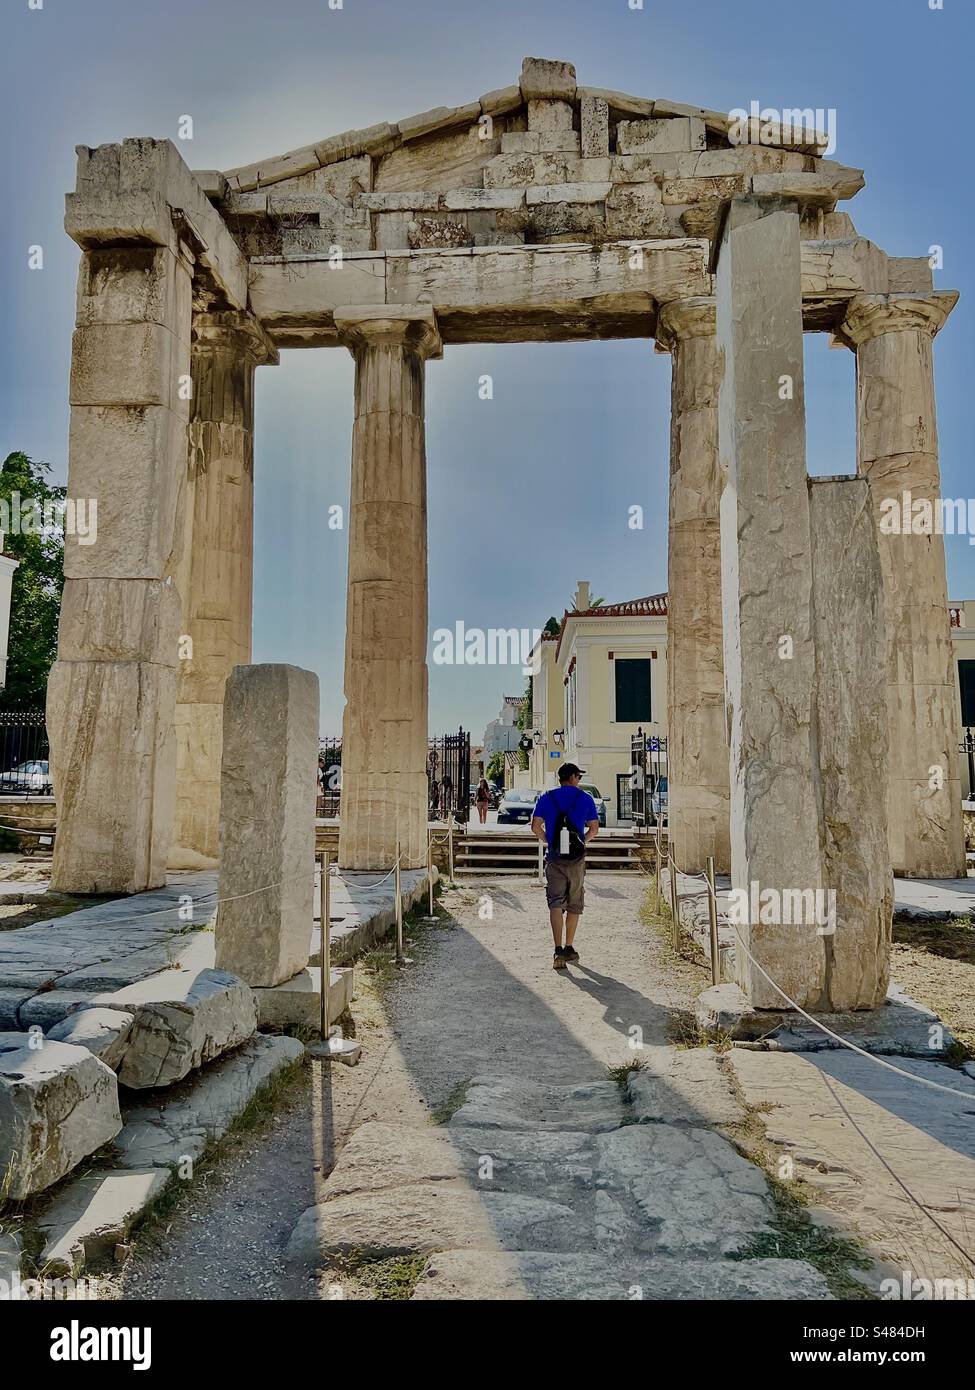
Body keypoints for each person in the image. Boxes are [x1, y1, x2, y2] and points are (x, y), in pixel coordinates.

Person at [531, 763, 600, 970]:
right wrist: (582, 842)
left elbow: (535, 826)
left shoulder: (546, 797)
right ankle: (569, 946)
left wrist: (549, 842)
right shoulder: (585, 798)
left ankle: (557, 949)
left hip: (554, 857)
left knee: (555, 902)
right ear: (571, 777)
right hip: (576, 860)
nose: (579, 779)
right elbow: (594, 829)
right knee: (574, 902)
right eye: (578, 776)